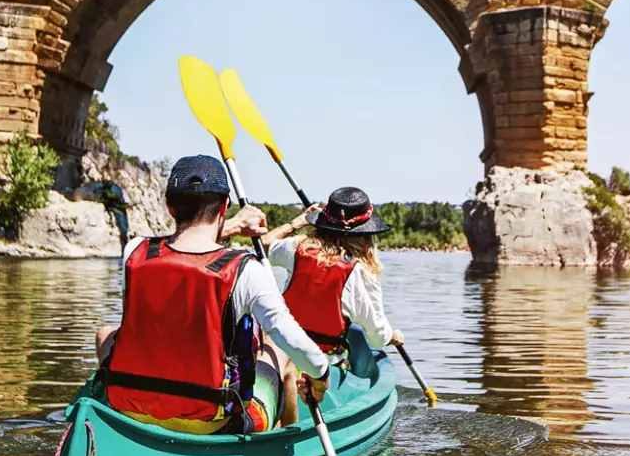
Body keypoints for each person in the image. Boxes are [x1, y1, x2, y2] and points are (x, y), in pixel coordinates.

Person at [94, 155, 330, 434]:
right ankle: (281, 441)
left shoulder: (133, 252)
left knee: (105, 333)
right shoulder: (246, 270)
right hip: (212, 422)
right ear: (225, 206)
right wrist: (321, 377)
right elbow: (294, 341)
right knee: (280, 351)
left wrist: (229, 227)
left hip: (132, 408)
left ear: (170, 208)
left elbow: (181, 250)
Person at [259, 187, 403, 357]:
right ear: (365, 235)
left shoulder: (297, 249)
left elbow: (261, 245)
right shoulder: (362, 272)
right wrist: (392, 336)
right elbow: (377, 337)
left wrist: (297, 222)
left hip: (283, 351)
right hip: (325, 360)